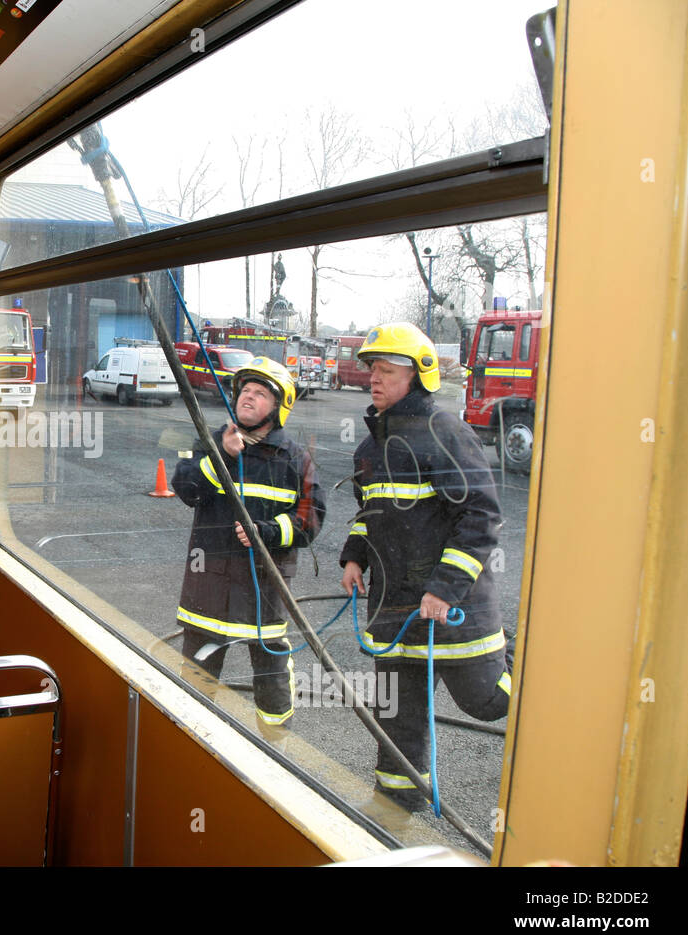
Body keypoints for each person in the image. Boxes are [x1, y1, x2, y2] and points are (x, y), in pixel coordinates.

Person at [338, 322, 512, 809]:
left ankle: (537, 669)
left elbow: (481, 515)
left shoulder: (446, 433)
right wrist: (355, 554)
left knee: (487, 701)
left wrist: (444, 588)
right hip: (395, 611)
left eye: (388, 370)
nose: (375, 378)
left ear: (418, 376)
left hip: (451, 610)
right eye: (373, 369)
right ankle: (396, 812)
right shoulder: (370, 447)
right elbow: (371, 512)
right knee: (398, 718)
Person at [173, 356, 325, 732]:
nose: (248, 398)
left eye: (260, 393)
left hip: (264, 590)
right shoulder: (208, 440)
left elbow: (311, 518)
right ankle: (194, 747)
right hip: (209, 589)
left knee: (272, 677)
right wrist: (222, 454)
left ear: (278, 407)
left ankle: (276, 747)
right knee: (197, 678)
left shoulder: (294, 459)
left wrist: (270, 532)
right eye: (245, 391)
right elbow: (186, 489)